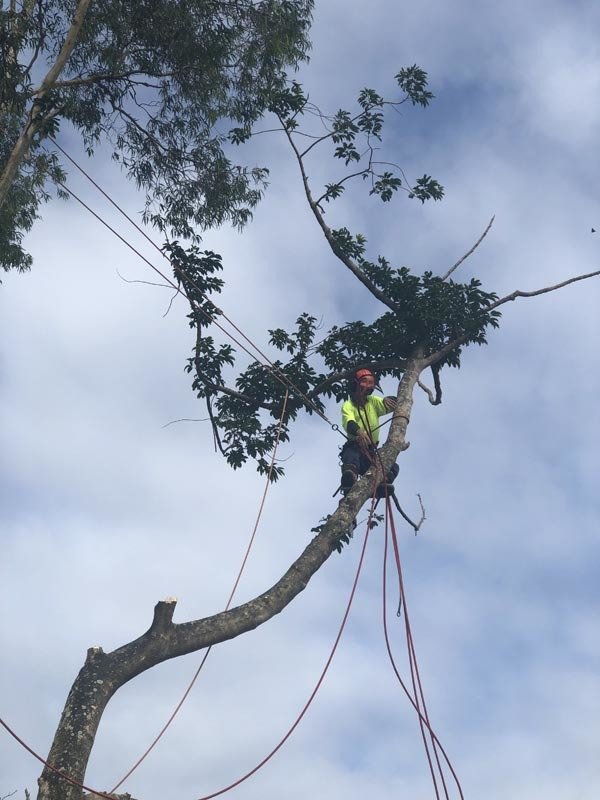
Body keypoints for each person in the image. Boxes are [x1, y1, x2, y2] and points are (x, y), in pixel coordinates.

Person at [339, 367, 399, 494]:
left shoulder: (373, 402)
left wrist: (391, 399)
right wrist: (359, 432)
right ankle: (350, 479)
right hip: (355, 445)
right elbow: (349, 422)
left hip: (371, 451)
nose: (365, 389)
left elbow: (390, 405)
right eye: (363, 383)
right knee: (351, 456)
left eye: (369, 384)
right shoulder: (348, 405)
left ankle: (381, 484)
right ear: (355, 385)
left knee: (391, 465)